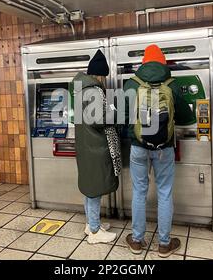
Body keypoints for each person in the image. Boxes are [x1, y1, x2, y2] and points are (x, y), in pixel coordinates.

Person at [123, 44, 195, 258]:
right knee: (164, 192)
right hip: (164, 148)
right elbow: (187, 117)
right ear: (163, 63)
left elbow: (122, 116)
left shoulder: (131, 84)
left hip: (138, 147)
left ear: (143, 63)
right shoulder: (172, 84)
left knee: (139, 192)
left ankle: (136, 240)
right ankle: (164, 244)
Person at [73, 49, 121, 244]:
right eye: (104, 76)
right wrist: (113, 108)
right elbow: (100, 119)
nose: (104, 80)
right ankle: (94, 232)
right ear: (99, 74)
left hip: (87, 145)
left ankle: (91, 224)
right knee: (94, 188)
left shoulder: (80, 89)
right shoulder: (92, 90)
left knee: (90, 186)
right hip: (95, 146)